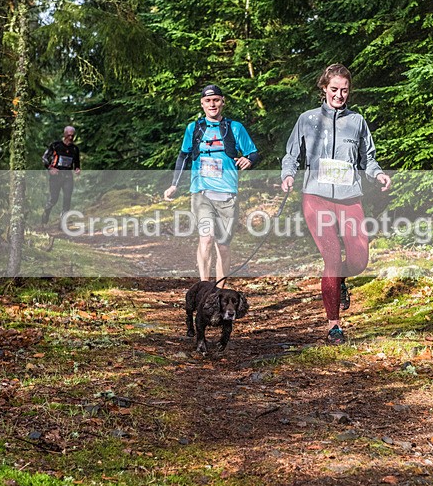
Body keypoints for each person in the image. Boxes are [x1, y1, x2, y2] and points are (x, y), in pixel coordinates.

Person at [281, 64, 392, 345]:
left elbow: (368, 159)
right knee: (331, 257)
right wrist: (288, 175)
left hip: (349, 197)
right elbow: (291, 155)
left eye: (344, 90)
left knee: (359, 260)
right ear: (324, 88)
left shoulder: (357, 121)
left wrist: (378, 174)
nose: (339, 95)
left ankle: (339, 279)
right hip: (316, 197)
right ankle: (334, 325)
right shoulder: (307, 119)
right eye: (334, 89)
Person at [164, 84, 260, 286]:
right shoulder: (193, 128)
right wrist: (174, 185)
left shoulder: (235, 128)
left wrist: (248, 160)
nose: (212, 104)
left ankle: (220, 290)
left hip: (227, 195)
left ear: (223, 102)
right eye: (207, 101)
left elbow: (253, 153)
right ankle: (204, 288)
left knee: (223, 246)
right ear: (202, 104)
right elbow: (183, 156)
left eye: (216, 100)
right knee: (206, 238)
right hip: (202, 193)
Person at [41, 125, 81, 226]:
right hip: (56, 176)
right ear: (64, 134)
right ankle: (46, 214)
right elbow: (44, 158)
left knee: (67, 199)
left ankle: (62, 223)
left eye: (72, 136)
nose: (70, 138)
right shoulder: (55, 145)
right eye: (69, 135)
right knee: (54, 199)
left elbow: (77, 164)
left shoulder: (75, 149)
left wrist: (77, 169)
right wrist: (50, 168)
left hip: (68, 176)